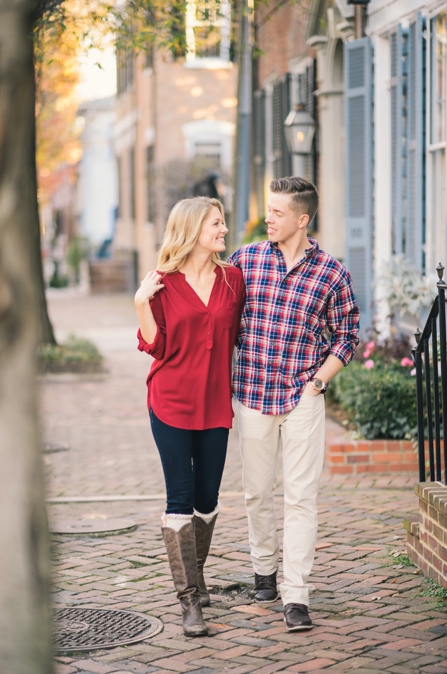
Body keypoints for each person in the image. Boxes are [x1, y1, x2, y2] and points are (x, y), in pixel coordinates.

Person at [228, 177, 359, 632]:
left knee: (301, 497)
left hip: (303, 394)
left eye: (278, 212)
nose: (269, 218)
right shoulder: (244, 261)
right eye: (269, 210)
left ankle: (296, 595)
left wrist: (318, 383)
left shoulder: (332, 273)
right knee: (257, 490)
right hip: (253, 394)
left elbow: (346, 334)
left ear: (302, 219)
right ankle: (263, 567)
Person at [135, 196, 246, 637]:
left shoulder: (233, 279)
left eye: (222, 222)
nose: (223, 229)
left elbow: (240, 334)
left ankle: (193, 583)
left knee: (208, 501)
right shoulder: (161, 281)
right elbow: (154, 346)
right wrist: (142, 304)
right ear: (193, 229)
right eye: (216, 223)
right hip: (171, 402)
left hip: (216, 403)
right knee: (179, 499)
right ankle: (190, 603)